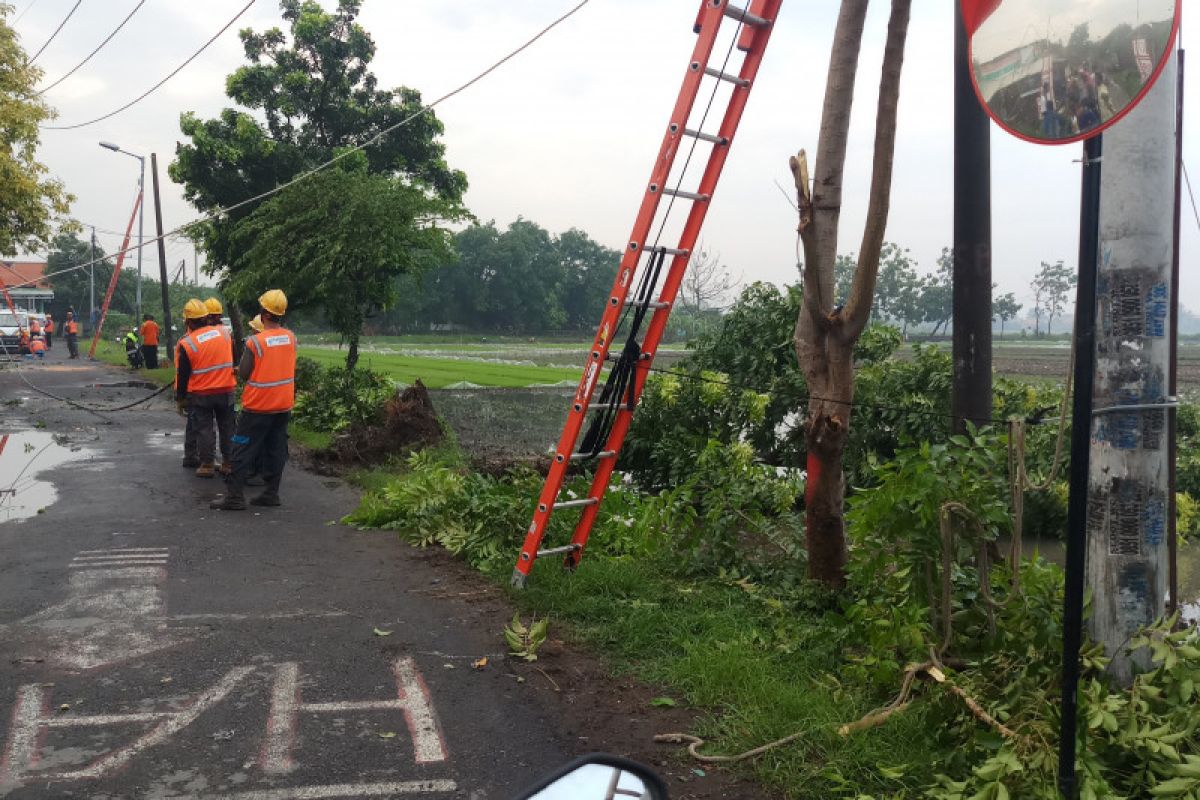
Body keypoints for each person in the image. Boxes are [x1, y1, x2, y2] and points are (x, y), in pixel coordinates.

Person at [212, 290, 296, 510]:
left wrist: (240, 369)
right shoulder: (291, 337)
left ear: (264, 313)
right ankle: (271, 493)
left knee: (242, 448)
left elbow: (246, 373)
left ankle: (234, 497)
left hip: (258, 405)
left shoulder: (255, 342)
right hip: (283, 404)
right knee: (276, 448)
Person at [175, 299, 236, 478]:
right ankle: (228, 463)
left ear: (188, 321)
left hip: (201, 394)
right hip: (226, 390)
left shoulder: (188, 343)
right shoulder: (225, 333)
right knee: (227, 428)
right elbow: (234, 357)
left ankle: (207, 464)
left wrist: (181, 398)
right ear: (206, 317)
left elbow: (183, 374)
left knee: (204, 429)